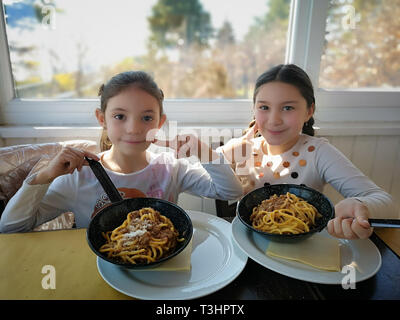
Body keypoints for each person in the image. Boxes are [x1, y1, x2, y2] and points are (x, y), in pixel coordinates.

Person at [0, 71, 243, 233]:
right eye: (119, 116)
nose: (134, 128)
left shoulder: (171, 166)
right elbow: (12, 227)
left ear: (160, 122)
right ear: (101, 119)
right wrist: (44, 176)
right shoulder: (79, 177)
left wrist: (206, 153)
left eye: (147, 117)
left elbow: (229, 191)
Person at [220, 64, 396, 240]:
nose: (274, 120)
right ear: (254, 109)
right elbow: (195, 173)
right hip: (245, 247)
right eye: (264, 107)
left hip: (303, 252)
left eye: (288, 108)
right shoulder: (241, 149)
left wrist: (360, 205)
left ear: (309, 111)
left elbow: (388, 204)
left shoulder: (318, 152)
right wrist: (212, 156)